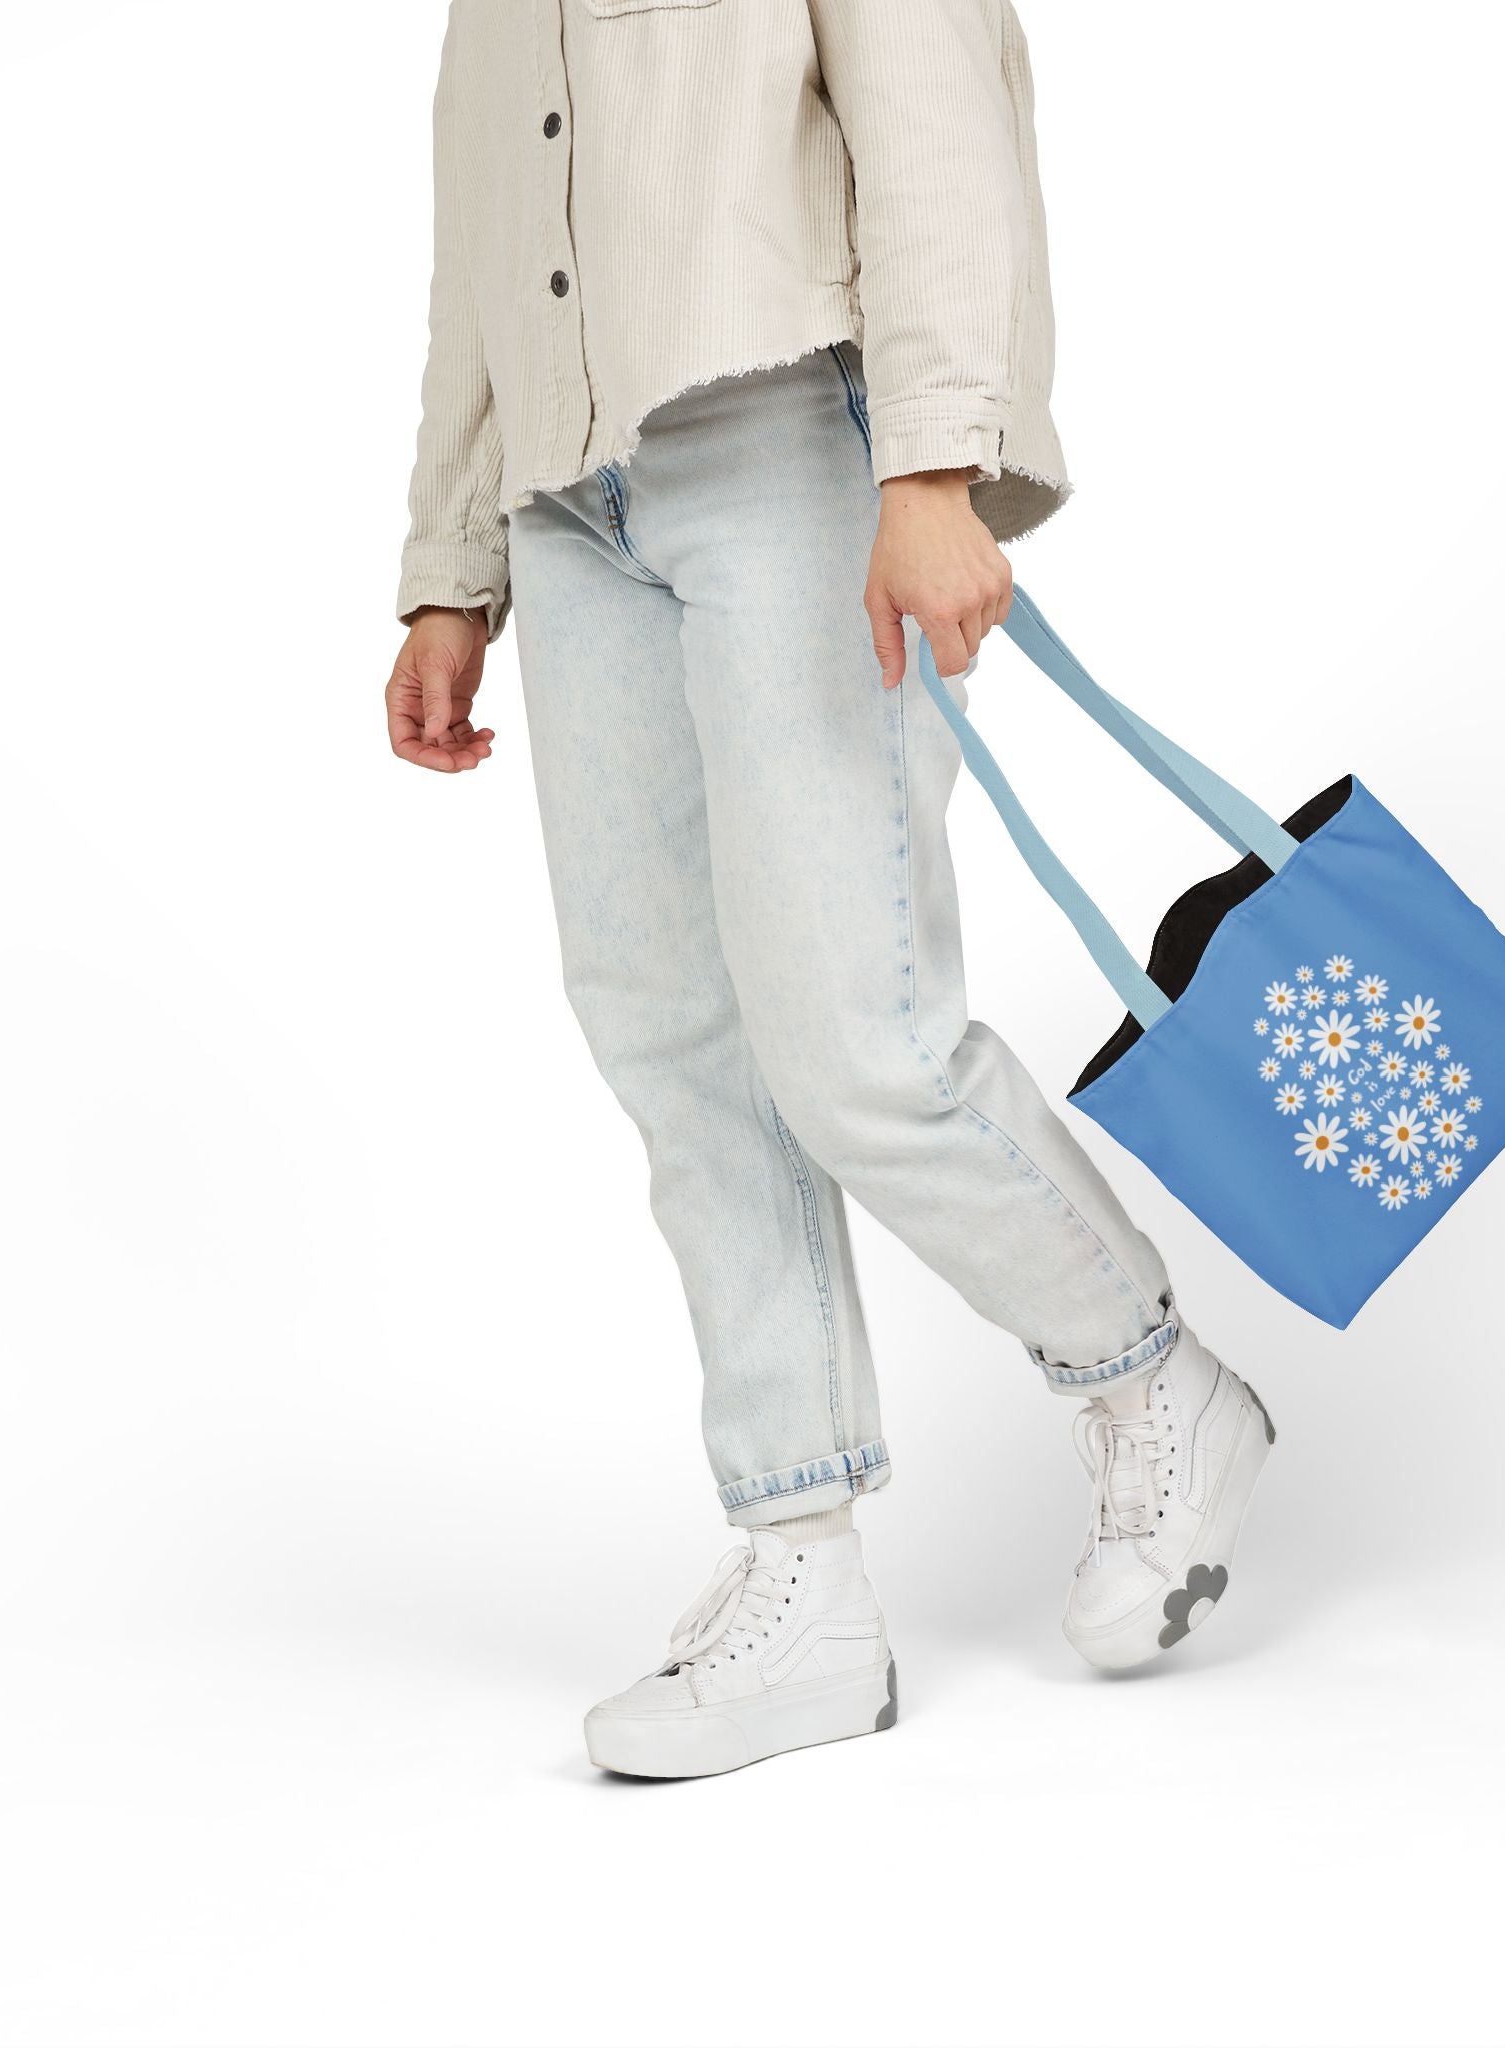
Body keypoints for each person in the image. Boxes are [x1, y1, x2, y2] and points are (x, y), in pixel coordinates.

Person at [385, 0, 1273, 1778]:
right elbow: (480, 233)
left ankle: (1144, 1375)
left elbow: (938, 118)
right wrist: (447, 566)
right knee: (675, 1045)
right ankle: (800, 1566)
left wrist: (932, 464)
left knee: (851, 1036)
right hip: (571, 505)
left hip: (782, 437)